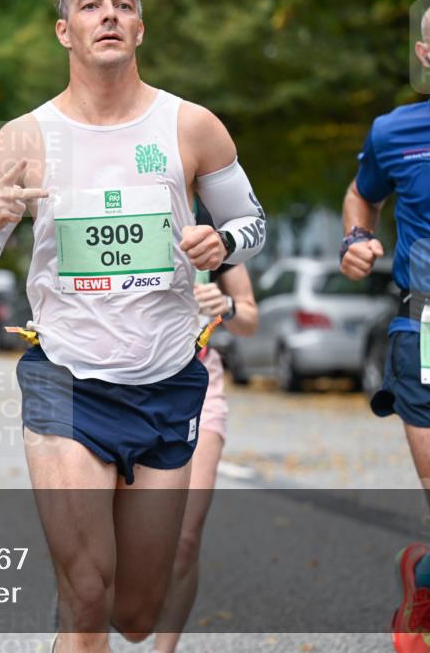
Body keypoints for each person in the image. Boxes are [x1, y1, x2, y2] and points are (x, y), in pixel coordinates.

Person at [0, 0, 266, 649]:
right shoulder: (24, 138)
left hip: (167, 380)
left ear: (141, 29)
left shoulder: (192, 126)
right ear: (65, 31)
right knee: (89, 595)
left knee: (137, 612)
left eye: (123, 3)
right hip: (66, 381)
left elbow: (251, 221)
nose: (110, 14)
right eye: (91, 4)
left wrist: (225, 243)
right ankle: (73, 605)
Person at [340, 0, 430, 653]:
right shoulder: (395, 132)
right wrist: (355, 238)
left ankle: (423, 574)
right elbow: (363, 194)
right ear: (427, 57)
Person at [152, 203, 258, 653]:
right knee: (107, 533)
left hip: (198, 382)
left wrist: (228, 304)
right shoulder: (121, 197)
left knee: (185, 535)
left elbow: (251, 318)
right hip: (121, 384)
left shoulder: (216, 230)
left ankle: (165, 649)